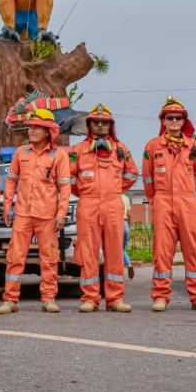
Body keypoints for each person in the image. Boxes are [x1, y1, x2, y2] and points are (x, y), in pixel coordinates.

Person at [0, 109, 72, 314]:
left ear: (48, 131)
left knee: (49, 258)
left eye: (36, 127)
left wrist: (61, 214)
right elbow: (11, 180)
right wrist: (7, 206)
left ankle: (48, 299)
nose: (31, 130)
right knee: (14, 257)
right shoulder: (21, 153)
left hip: (47, 215)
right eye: (30, 127)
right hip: (22, 213)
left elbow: (65, 187)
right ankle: (10, 300)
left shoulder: (59, 156)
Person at [142, 96, 196, 312]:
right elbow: (147, 179)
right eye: (169, 117)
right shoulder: (152, 146)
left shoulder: (193, 145)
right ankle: (160, 297)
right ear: (163, 121)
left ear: (183, 121)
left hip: (187, 200)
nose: (173, 120)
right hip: (162, 201)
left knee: (192, 250)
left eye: (178, 117)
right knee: (162, 251)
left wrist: (185, 190)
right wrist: (156, 200)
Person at [70, 103, 139, 313]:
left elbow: (132, 174)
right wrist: (85, 193)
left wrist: (115, 189)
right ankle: (90, 298)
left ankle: (115, 299)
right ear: (89, 125)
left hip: (113, 205)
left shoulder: (120, 149)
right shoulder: (78, 150)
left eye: (104, 122)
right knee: (88, 253)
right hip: (88, 205)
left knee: (115, 253)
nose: (100, 125)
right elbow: (69, 179)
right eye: (96, 122)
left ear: (111, 126)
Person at [122, 192, 134, 279]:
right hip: (125, 223)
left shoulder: (112, 197)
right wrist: (129, 228)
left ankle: (125, 266)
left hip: (116, 223)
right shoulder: (126, 198)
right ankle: (128, 264)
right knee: (123, 248)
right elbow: (129, 215)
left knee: (116, 249)